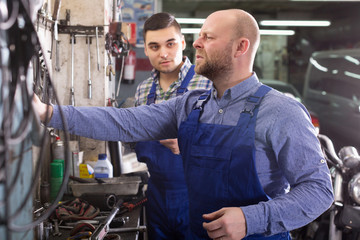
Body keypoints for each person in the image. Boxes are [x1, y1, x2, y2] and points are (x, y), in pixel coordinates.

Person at [34, 9, 334, 240]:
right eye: (199, 35)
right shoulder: (190, 104)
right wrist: (47, 112)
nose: (197, 43)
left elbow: (319, 191)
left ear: (240, 47)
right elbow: (123, 123)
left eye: (208, 37)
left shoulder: (282, 111)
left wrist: (251, 219)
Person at [134, 12, 211, 239]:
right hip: (156, 195)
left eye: (170, 44)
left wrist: (188, 145)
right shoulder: (142, 90)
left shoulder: (207, 82)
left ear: (183, 43)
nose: (164, 53)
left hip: (199, 197)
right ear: (146, 49)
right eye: (155, 47)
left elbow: (226, 143)